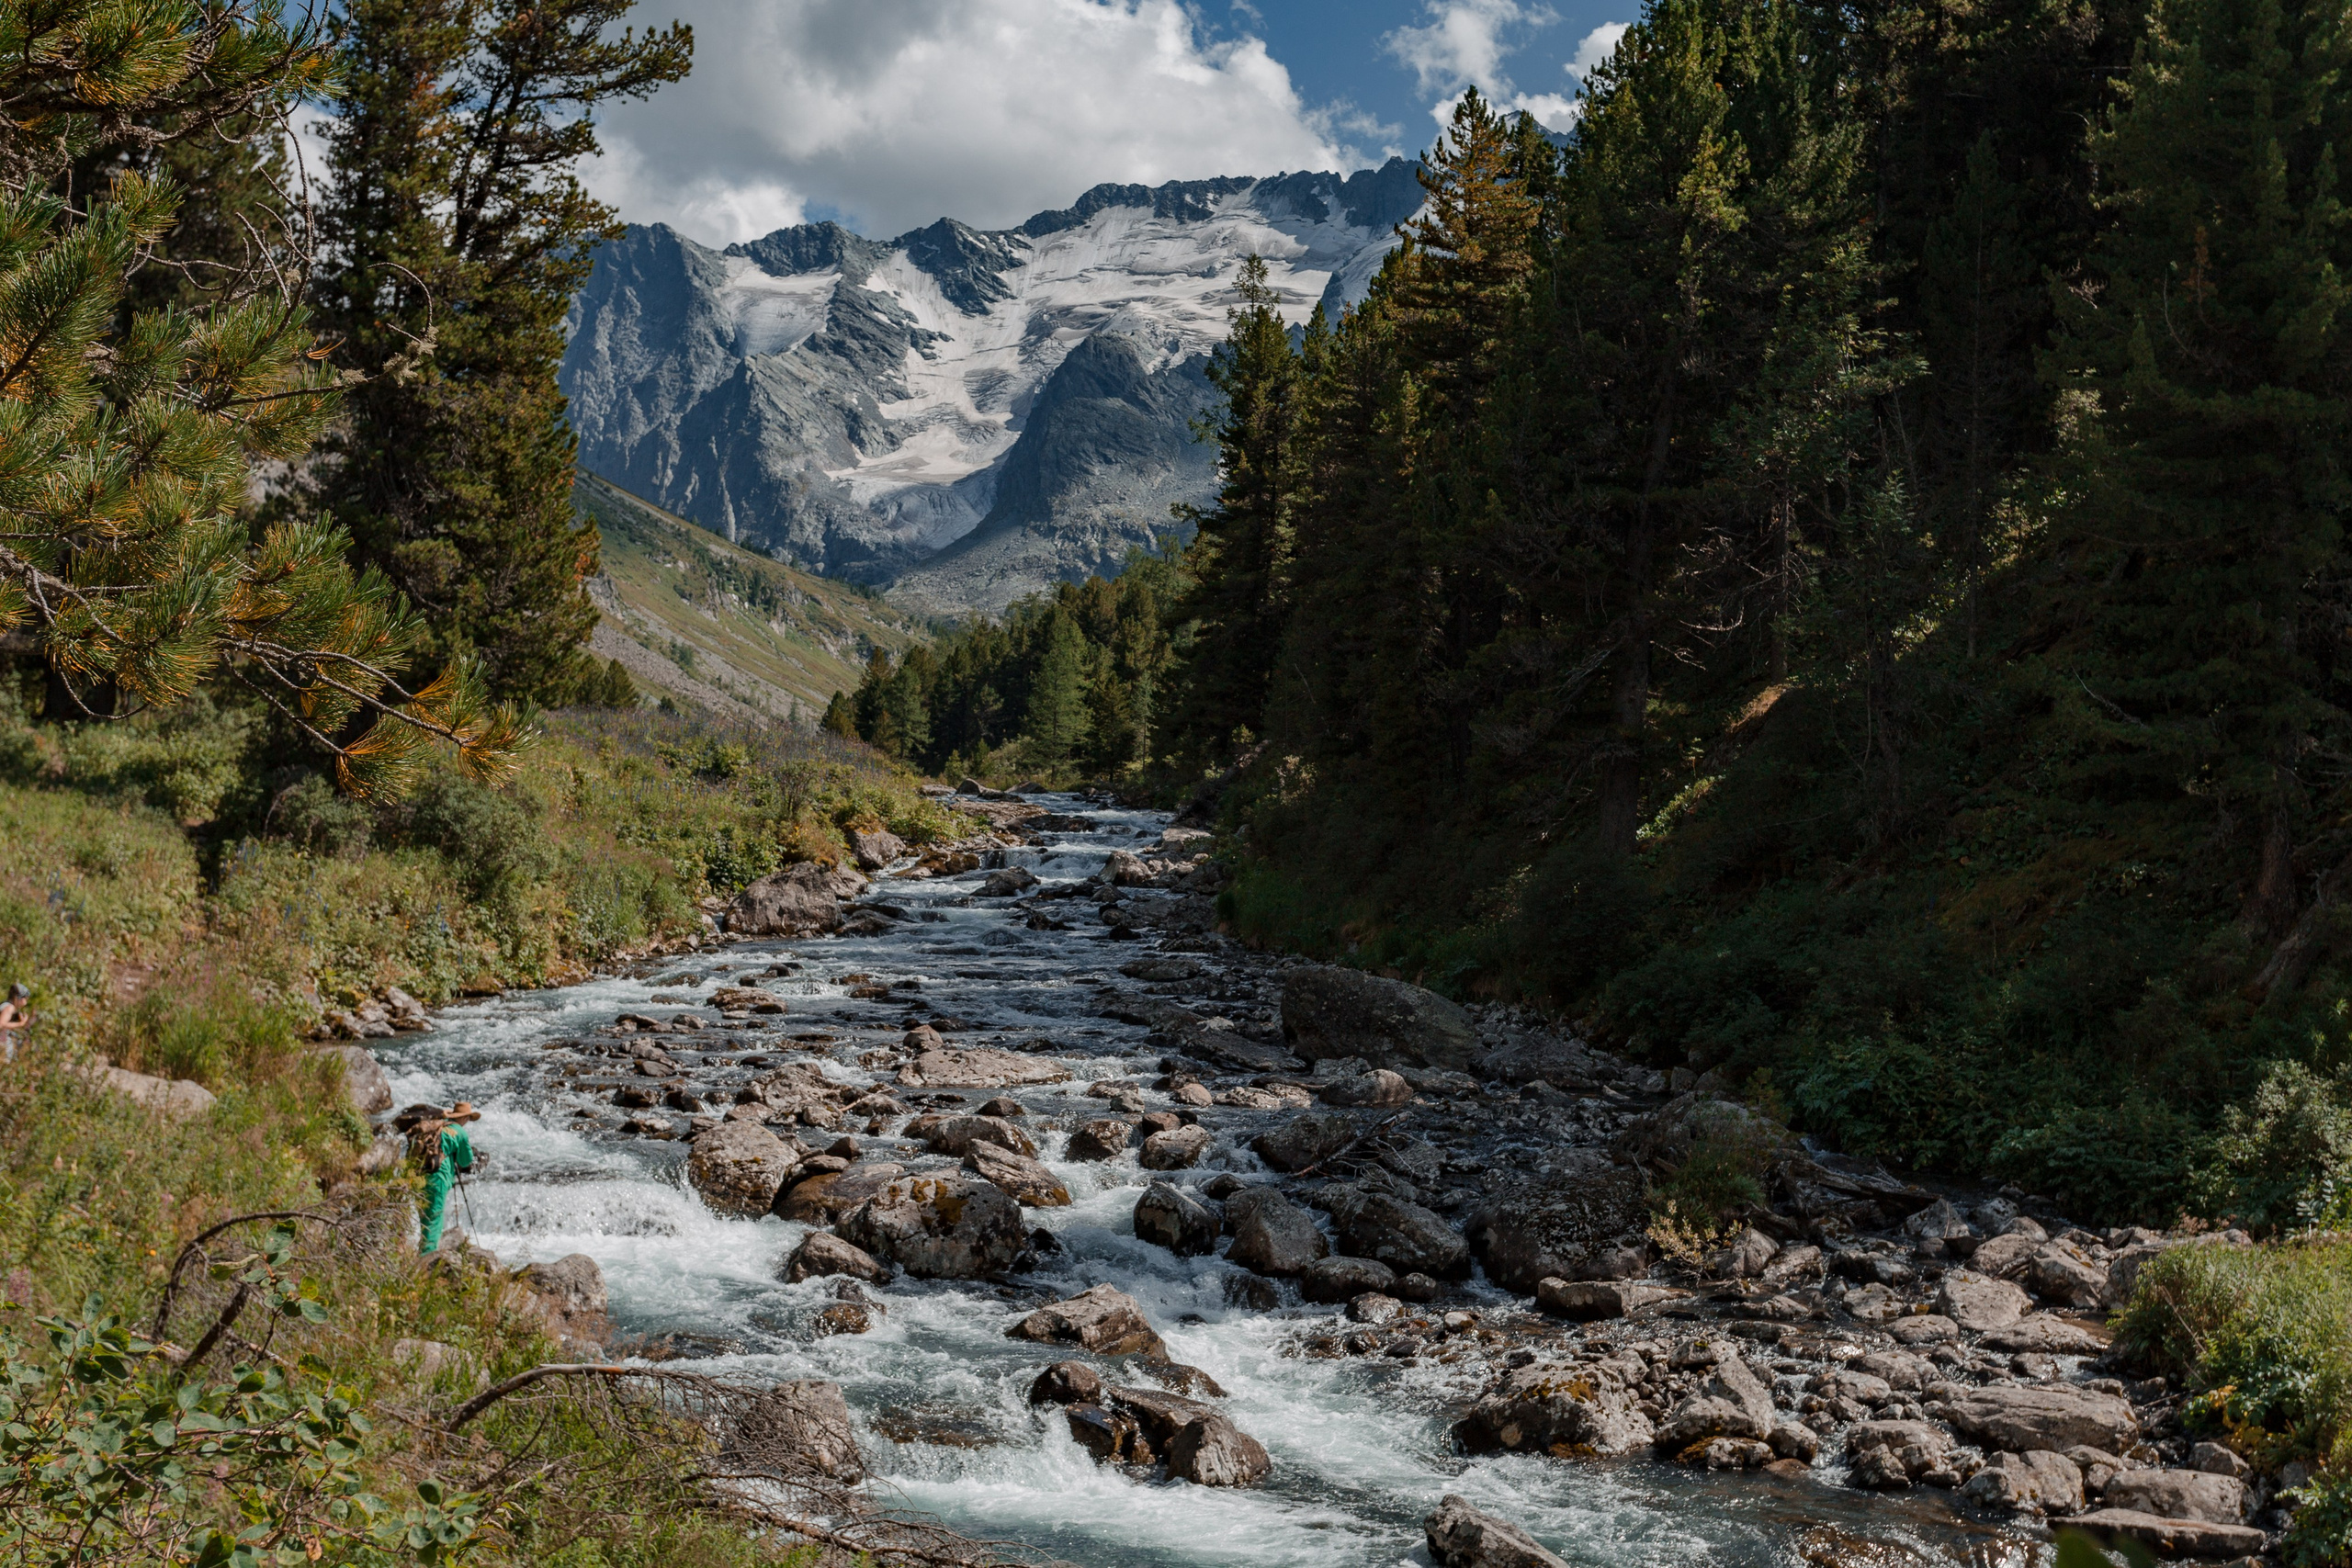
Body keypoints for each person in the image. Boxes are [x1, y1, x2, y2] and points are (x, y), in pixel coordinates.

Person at [400, 1100, 480, 1253]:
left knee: (424, 1217)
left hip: (418, 1176)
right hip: (438, 1178)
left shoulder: (437, 1127)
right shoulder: (459, 1132)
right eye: (468, 1118)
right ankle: (427, 1260)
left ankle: (419, 1253)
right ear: (463, 1118)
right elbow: (465, 1161)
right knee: (434, 1219)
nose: (468, 1121)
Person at [0, 983, 28, 1062]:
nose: (26, 1002)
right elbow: (1, 1024)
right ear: (19, 998)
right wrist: (20, 1024)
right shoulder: (10, 1008)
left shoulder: (6, 1005)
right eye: (25, 998)